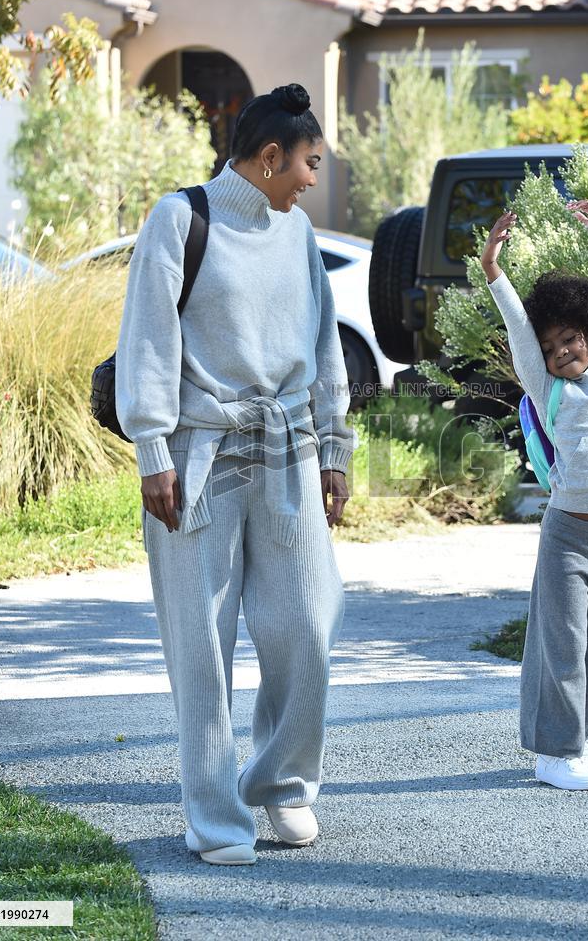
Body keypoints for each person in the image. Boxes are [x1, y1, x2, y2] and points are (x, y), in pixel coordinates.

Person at [116, 83, 356, 864]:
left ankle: (282, 784)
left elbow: (322, 347)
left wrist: (336, 446)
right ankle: (215, 818)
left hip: (287, 449)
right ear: (267, 157)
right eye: (308, 164)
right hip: (198, 455)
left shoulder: (296, 234)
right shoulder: (179, 219)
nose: (312, 180)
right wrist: (151, 449)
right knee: (201, 645)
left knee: (307, 625)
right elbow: (149, 338)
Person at [480, 201, 588, 791]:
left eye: (570, 339)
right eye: (552, 349)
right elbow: (522, 336)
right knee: (564, 646)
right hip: (569, 536)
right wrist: (493, 268)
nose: (561, 352)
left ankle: (585, 731)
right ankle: (556, 750)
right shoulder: (550, 390)